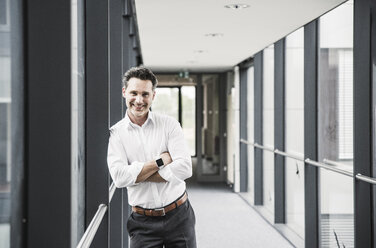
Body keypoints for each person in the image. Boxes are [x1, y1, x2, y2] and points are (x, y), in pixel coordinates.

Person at [107, 66, 197, 248]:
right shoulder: (116, 133)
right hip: (142, 223)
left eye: (145, 94)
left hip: (179, 215)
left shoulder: (169, 125)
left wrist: (138, 176)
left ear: (153, 96)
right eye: (134, 93)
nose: (139, 100)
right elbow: (119, 177)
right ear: (124, 92)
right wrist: (161, 161)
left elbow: (185, 168)